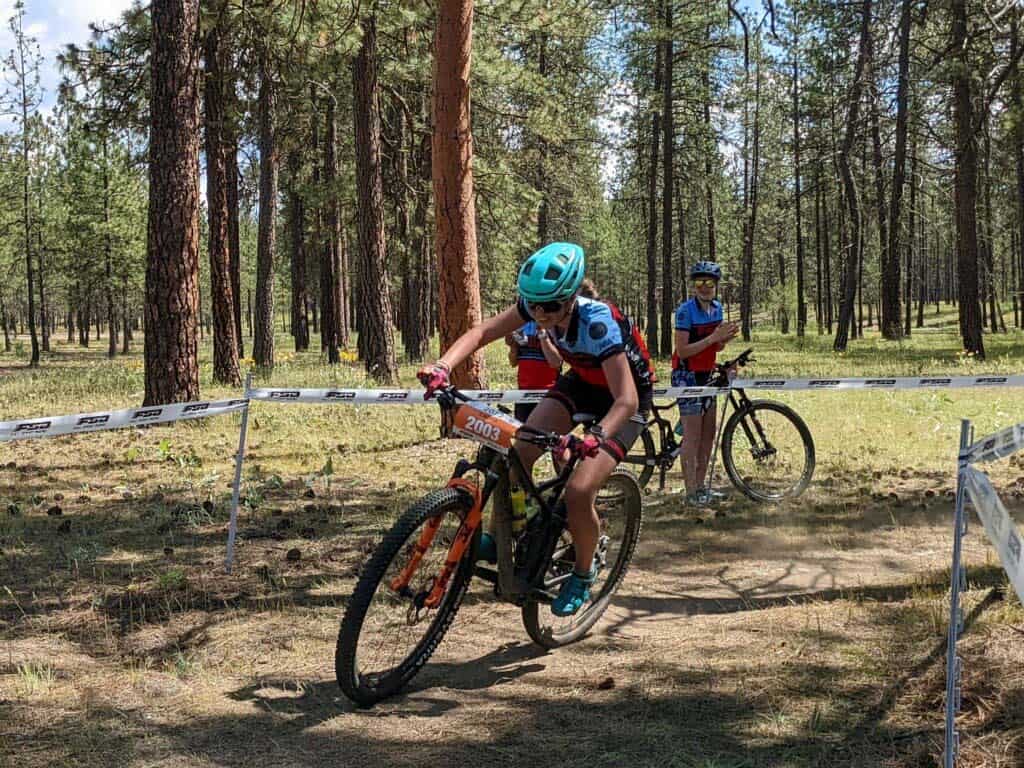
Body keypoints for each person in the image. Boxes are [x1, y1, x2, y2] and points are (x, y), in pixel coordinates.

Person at [418, 243, 655, 617]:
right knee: (519, 451)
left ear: (571, 297)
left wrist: (594, 437)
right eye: (532, 304)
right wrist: (442, 367)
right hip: (581, 383)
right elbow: (481, 333)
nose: (539, 314)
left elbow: (625, 400)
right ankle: (511, 530)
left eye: (549, 307)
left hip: (625, 401)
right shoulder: (536, 305)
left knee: (578, 491)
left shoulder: (597, 323)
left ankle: (583, 569)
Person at [672, 262, 738, 505]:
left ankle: (701, 487)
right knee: (693, 434)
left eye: (710, 283)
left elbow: (715, 346)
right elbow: (683, 350)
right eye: (700, 283)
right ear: (694, 286)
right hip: (686, 375)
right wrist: (714, 337)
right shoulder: (685, 311)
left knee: (709, 433)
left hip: (707, 374)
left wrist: (724, 342)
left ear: (716, 286)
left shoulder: (718, 309)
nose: (705, 287)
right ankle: (690, 492)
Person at [505, 319, 560, 423]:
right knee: (523, 432)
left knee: (546, 432)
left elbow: (557, 363)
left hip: (547, 393)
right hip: (523, 393)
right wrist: (513, 346)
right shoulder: (521, 325)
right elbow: (513, 362)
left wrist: (543, 336)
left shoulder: (554, 325)